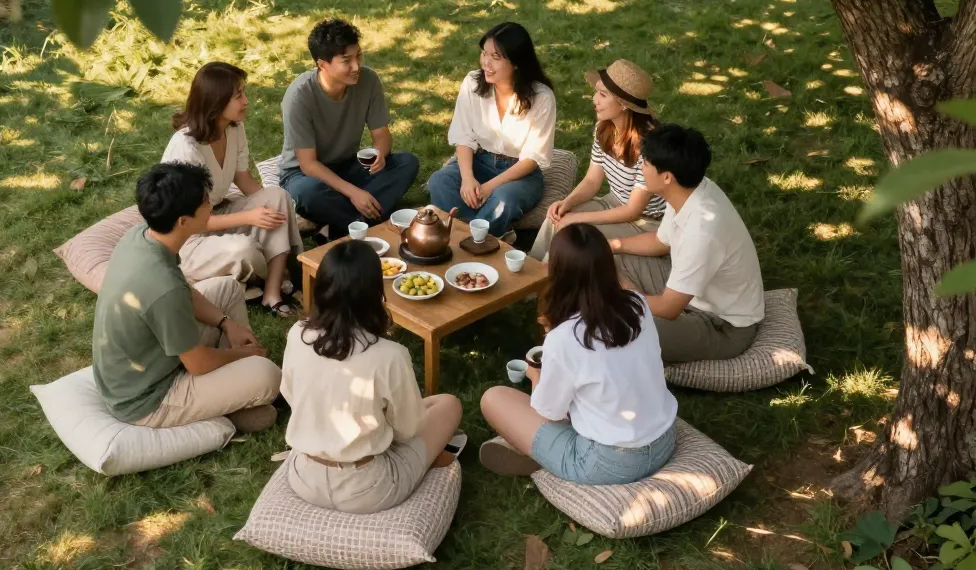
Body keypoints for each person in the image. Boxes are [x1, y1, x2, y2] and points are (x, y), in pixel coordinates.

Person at [478, 224, 678, 483]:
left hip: (609, 462)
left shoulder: (564, 338)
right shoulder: (637, 303)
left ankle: (540, 455)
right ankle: (541, 451)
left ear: (558, 273)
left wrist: (535, 375)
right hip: (664, 439)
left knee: (493, 399)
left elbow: (550, 412)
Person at [92, 162, 282, 432]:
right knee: (267, 374)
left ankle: (233, 393)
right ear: (183, 221)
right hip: (150, 397)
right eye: (205, 202)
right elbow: (198, 364)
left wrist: (227, 323)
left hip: (153, 358)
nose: (211, 206)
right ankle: (235, 395)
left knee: (227, 288)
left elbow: (183, 290)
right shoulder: (162, 287)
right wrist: (242, 355)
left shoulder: (141, 236)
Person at [280, 240, 464, 513]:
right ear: (374, 293)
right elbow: (407, 430)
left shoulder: (297, 333)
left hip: (304, 477)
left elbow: (290, 394)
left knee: (411, 411)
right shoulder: (390, 355)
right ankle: (430, 460)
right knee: (448, 404)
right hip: (369, 489)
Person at [610, 124, 764, 363]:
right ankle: (628, 302)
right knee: (610, 262)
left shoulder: (703, 230)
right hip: (692, 297)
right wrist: (612, 246)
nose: (641, 168)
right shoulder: (687, 190)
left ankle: (626, 309)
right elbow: (660, 242)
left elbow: (669, 308)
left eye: (646, 163)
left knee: (622, 330)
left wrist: (620, 297)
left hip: (722, 325)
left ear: (667, 177)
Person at [162, 62, 303, 317]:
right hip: (188, 236)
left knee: (278, 196)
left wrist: (272, 207)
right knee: (243, 249)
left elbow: (243, 178)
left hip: (217, 212)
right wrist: (250, 217)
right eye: (239, 95)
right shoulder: (186, 148)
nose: (246, 101)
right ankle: (275, 273)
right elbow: (191, 221)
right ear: (216, 102)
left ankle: (271, 293)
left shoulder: (234, 128)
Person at [279, 19, 420, 239]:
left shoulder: (369, 80)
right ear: (322, 65)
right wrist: (354, 193)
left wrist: (380, 154)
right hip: (305, 175)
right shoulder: (299, 96)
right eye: (346, 61)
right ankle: (364, 221)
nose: (356, 66)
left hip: (348, 165)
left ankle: (340, 225)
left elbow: (381, 135)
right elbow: (308, 164)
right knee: (308, 193)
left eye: (358, 56)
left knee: (407, 163)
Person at [428, 23, 556, 240]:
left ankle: (466, 239)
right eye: (484, 53)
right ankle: (488, 235)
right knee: (440, 181)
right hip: (480, 161)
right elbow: (463, 135)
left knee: (503, 200)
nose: (486, 63)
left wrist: (488, 188)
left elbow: (532, 158)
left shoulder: (542, 98)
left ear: (516, 62)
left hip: (520, 173)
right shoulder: (472, 83)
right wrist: (467, 178)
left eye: (495, 57)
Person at [530, 59, 665, 261]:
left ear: (624, 104)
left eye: (603, 94)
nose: (594, 99)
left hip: (645, 222)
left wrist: (576, 218)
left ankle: (548, 276)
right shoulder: (603, 128)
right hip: (613, 203)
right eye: (596, 92)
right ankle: (530, 270)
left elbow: (633, 211)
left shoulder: (649, 146)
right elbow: (592, 181)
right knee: (556, 218)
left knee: (575, 235)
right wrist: (566, 203)